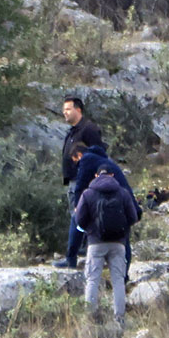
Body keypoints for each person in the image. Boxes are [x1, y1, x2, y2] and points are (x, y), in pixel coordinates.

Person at [75, 165, 140, 324]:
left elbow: (79, 221)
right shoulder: (123, 193)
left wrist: (89, 230)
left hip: (95, 243)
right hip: (118, 243)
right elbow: (133, 217)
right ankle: (119, 319)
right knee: (118, 280)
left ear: (96, 175)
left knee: (92, 280)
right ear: (112, 175)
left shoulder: (88, 193)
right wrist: (123, 230)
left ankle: (89, 319)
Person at [57, 95, 103, 269]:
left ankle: (76, 254)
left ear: (78, 110)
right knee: (76, 216)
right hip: (73, 180)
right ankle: (79, 252)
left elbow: (99, 153)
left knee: (79, 216)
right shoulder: (73, 131)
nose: (64, 113)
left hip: (84, 181)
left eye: (68, 109)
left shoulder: (88, 129)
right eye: (63, 110)